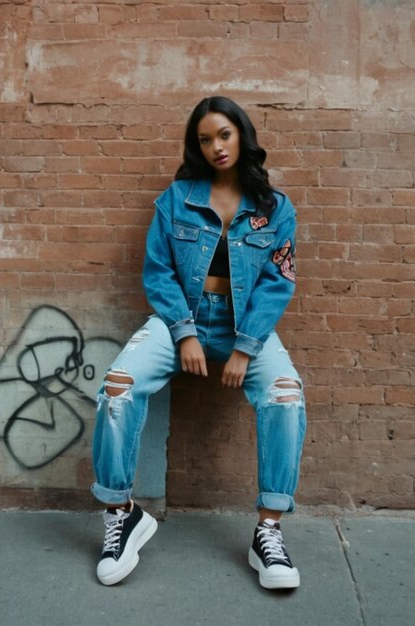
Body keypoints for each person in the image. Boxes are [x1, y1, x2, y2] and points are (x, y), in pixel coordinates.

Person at [90, 96, 307, 590]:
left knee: (286, 395)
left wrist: (246, 347)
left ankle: (268, 532)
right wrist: (185, 333)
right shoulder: (177, 199)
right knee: (117, 387)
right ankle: (121, 515)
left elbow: (278, 282)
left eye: (224, 135)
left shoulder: (275, 209)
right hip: (178, 319)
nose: (216, 147)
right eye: (205, 139)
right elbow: (159, 271)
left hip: (244, 327)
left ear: (242, 136)